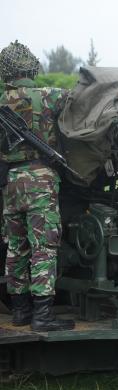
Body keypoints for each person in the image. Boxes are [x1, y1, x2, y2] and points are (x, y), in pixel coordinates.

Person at [0, 41, 74, 331]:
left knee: (15, 247)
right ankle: (42, 315)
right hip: (41, 178)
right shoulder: (50, 96)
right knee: (44, 247)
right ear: (32, 68)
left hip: (10, 183)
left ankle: (20, 311)